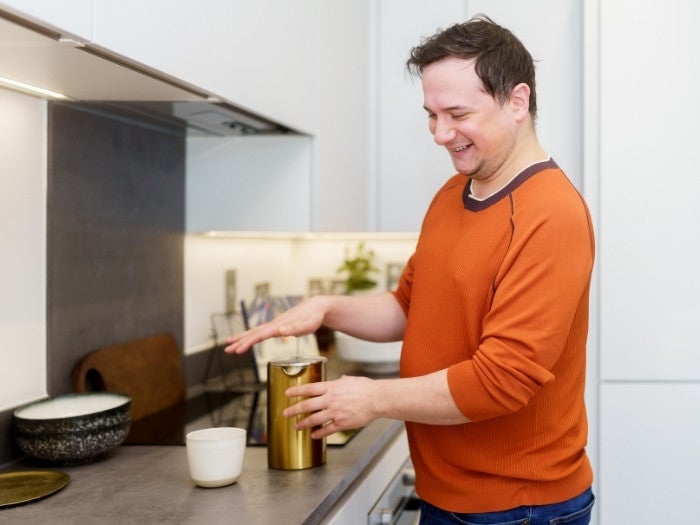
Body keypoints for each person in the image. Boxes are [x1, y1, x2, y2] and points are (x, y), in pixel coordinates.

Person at [226, 14, 595, 525]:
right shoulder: (453, 194)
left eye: (457, 114)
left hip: (518, 507)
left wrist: (373, 398)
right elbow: (407, 307)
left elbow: (501, 381)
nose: (441, 134)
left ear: (517, 101)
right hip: (449, 494)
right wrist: (327, 309)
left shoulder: (551, 214)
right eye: (431, 114)